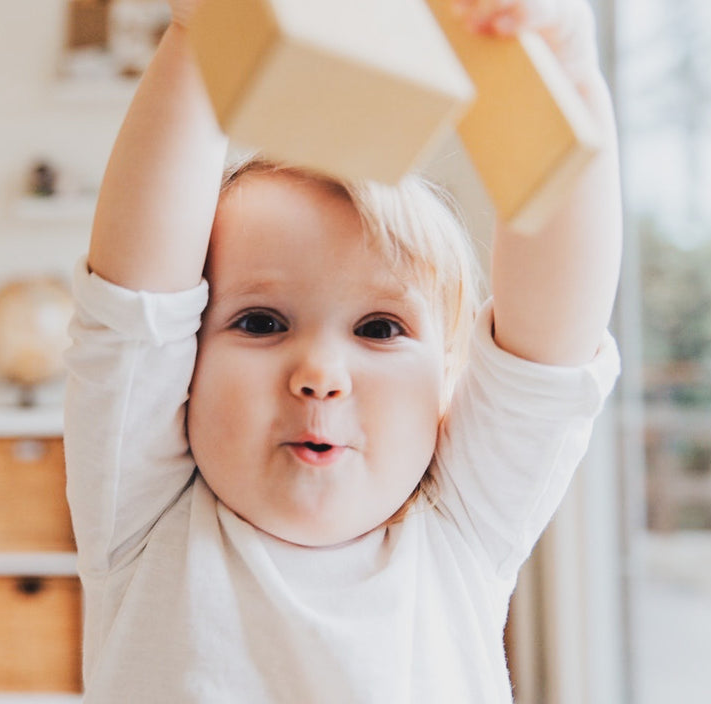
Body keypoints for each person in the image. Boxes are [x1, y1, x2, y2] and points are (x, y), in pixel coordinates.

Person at [63, 0, 622, 700]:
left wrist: (566, 75)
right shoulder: (145, 515)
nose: (320, 376)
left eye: (379, 329)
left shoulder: (461, 527)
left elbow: (552, 345)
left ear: (447, 384)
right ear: (184, 368)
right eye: (262, 322)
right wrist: (204, 28)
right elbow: (134, 307)